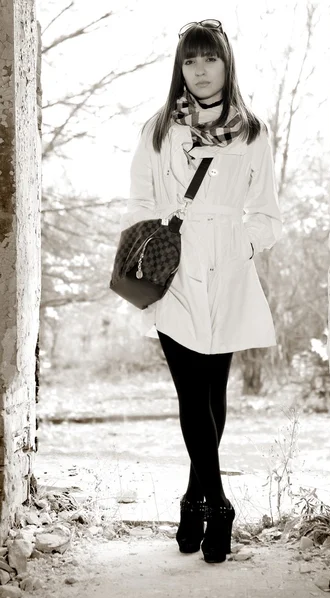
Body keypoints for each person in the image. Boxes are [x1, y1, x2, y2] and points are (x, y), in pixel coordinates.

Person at [119, 19, 282, 563]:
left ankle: (193, 498)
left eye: (209, 58)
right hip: (176, 270)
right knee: (191, 391)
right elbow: (141, 197)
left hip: (229, 270)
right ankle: (220, 504)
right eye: (191, 61)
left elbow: (267, 215)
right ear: (180, 68)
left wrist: (243, 247)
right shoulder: (160, 127)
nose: (200, 70)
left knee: (213, 392)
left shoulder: (253, 131)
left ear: (226, 63)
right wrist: (159, 241)